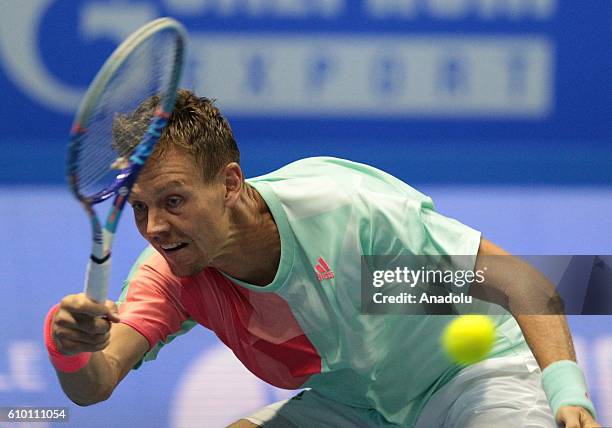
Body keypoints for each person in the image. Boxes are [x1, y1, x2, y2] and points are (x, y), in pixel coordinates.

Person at [45, 89, 600, 427]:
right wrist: (69, 345)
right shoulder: (172, 275)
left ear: (230, 183)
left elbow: (524, 282)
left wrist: (570, 396)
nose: (156, 228)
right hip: (359, 408)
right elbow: (95, 385)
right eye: (140, 208)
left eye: (174, 201)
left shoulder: (342, 215)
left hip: (470, 377)